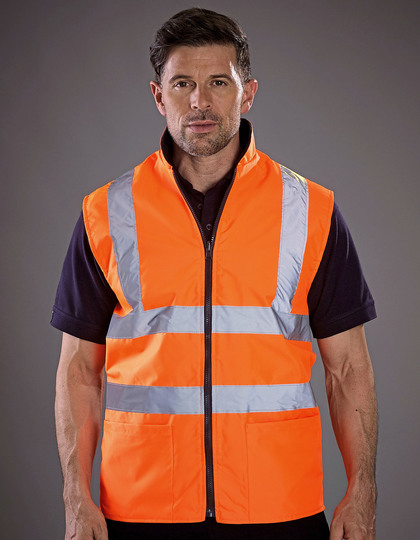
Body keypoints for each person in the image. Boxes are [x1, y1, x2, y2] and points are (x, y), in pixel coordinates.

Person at [52, 8, 378, 540]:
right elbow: (78, 373)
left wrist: (362, 491)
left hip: (279, 507)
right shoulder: (105, 212)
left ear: (248, 94)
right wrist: (75, 497)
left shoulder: (310, 210)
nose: (199, 102)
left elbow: (348, 369)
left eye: (218, 83)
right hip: (141, 508)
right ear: (158, 96)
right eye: (182, 83)